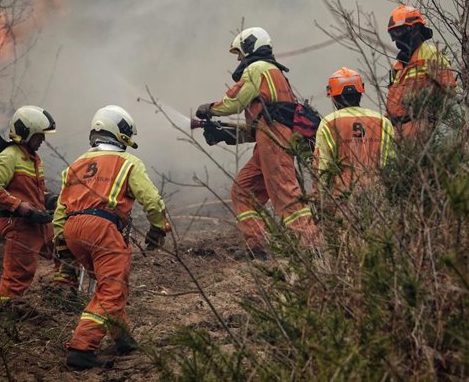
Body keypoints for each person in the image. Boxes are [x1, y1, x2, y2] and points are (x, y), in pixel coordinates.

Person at [53, 105, 171, 370]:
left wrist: (61, 244)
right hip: (103, 228)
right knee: (111, 289)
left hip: (73, 230)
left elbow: (60, 209)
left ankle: (123, 339)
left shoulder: (75, 165)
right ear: (120, 133)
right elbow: (152, 200)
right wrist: (158, 228)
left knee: (111, 285)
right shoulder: (128, 162)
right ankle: (81, 348)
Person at [195, 27, 321, 260]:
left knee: (285, 193)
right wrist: (225, 133)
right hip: (269, 138)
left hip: (274, 139)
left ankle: (313, 248)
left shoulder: (257, 68)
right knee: (244, 191)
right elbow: (262, 121)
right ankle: (256, 248)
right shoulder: (274, 72)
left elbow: (235, 100)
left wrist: (210, 109)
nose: (238, 58)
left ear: (249, 46)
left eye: (239, 52)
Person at [0, 105, 65, 306]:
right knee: (19, 274)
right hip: (19, 224)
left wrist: (52, 200)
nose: (42, 141)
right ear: (25, 133)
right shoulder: (8, 156)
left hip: (38, 223)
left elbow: (35, 192)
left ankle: (63, 295)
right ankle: (5, 311)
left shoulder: (34, 159)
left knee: (64, 249)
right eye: (39, 136)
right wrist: (21, 207)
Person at [314, 68, 395, 203]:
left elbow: (323, 167)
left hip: (343, 198)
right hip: (379, 195)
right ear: (360, 92)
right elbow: (391, 163)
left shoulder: (328, 123)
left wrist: (320, 200)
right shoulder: (383, 122)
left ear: (333, 96)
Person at [386, 5, 459, 141]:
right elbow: (392, 104)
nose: (397, 38)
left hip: (421, 130)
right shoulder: (398, 65)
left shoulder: (431, 55)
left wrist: (429, 121)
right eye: (393, 34)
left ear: (415, 29)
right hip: (396, 133)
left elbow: (450, 92)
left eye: (400, 32)